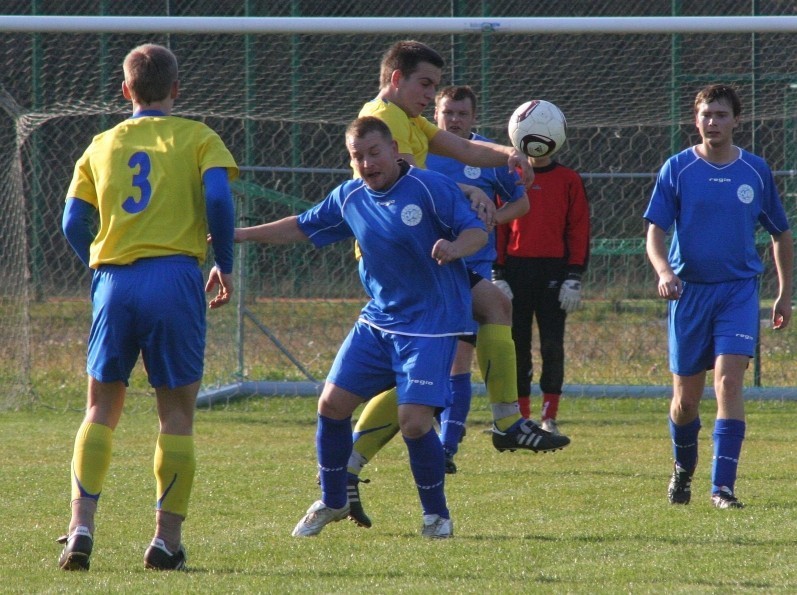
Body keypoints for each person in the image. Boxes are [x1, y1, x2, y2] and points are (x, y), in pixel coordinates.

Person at [344, 43, 569, 529]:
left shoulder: (406, 117)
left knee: (481, 316)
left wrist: (507, 154)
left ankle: (348, 466)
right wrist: (465, 189)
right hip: (406, 258)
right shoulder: (381, 116)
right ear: (397, 77)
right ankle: (508, 422)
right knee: (488, 310)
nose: (429, 96)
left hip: (420, 254)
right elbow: (406, 176)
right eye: (424, 85)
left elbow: (464, 149)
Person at [236, 116, 488, 538]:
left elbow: (476, 232)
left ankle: (436, 517)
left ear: (393, 150)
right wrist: (240, 234)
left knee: (413, 421)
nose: (368, 164)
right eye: (358, 157)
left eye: (374, 153)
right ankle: (333, 500)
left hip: (432, 321)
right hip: (379, 320)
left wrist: (454, 247)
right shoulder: (350, 195)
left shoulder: (429, 188)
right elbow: (303, 225)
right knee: (331, 406)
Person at [57, 43, 238, 571]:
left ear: (126, 91)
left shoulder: (100, 144)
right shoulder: (199, 137)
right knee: (176, 415)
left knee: (99, 409)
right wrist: (223, 261)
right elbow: (221, 201)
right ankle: (165, 542)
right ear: (176, 90)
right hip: (175, 278)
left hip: (115, 279)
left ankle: (80, 529)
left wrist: (95, 266)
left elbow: (72, 222)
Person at [644, 83, 792, 509]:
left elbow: (781, 233)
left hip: (738, 293)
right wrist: (664, 271)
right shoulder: (678, 169)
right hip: (688, 295)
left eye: (721, 115)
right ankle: (682, 471)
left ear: (736, 121)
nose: (714, 122)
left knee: (728, 381)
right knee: (685, 402)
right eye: (706, 114)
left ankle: (722, 488)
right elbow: (655, 230)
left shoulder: (755, 170)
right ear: (696, 120)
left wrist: (783, 294)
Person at [494, 151, 590, 436]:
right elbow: (498, 227)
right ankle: (521, 417)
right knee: (516, 347)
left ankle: (550, 415)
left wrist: (574, 275)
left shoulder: (568, 179)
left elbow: (579, 227)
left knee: (552, 344)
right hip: (515, 272)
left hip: (554, 272)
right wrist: (497, 272)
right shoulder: (510, 177)